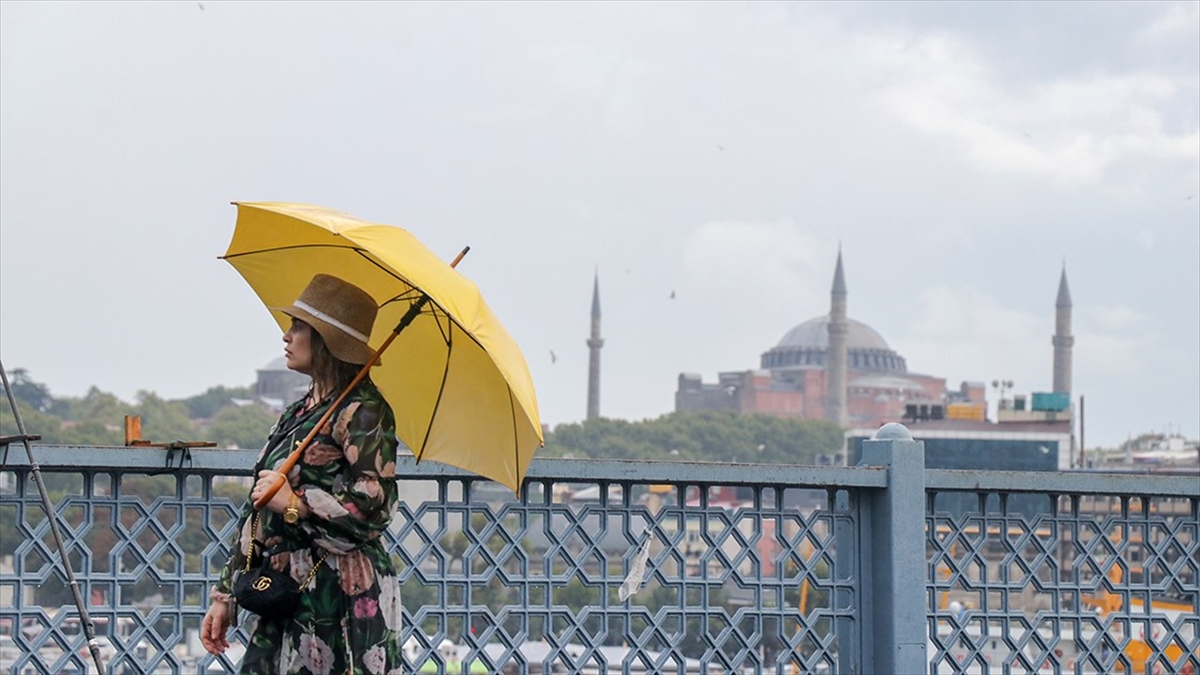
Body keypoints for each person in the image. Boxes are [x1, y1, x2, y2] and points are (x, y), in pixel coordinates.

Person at [201, 274, 403, 674]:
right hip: (282, 587)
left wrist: (296, 504)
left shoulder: (364, 411)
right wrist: (225, 594)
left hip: (340, 590)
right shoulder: (298, 413)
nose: (286, 337)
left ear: (326, 341)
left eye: (298, 328)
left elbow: (373, 509)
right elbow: (256, 506)